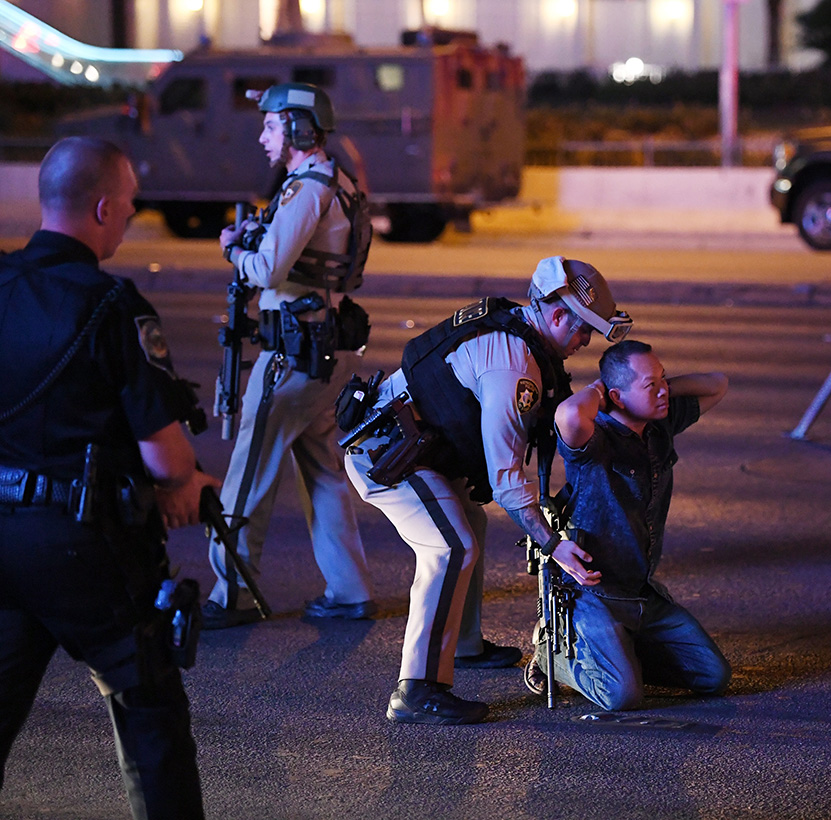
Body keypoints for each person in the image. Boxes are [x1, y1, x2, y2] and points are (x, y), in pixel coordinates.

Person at [0, 137, 219, 818]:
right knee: (150, 717)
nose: (128, 218)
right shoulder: (111, 304)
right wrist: (181, 486)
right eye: (126, 206)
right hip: (86, 547)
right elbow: (170, 460)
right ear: (101, 207)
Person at [344, 256, 632, 724]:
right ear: (557, 316)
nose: (586, 342)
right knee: (450, 546)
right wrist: (553, 544)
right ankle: (416, 690)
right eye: (585, 330)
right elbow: (505, 479)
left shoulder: (519, 332)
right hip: (385, 455)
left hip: (411, 449)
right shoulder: (514, 365)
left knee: (468, 522)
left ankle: (462, 645)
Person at [204, 82, 375, 628]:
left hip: (296, 355)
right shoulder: (335, 180)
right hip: (325, 350)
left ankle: (230, 593)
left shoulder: (308, 189)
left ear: (300, 130)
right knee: (323, 472)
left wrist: (235, 247)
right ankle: (349, 590)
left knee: (249, 469)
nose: (262, 136)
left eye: (271, 126)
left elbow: (270, 270)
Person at [524, 340, 732, 711]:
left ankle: (621, 655)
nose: (663, 391)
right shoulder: (594, 439)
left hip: (641, 593)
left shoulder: (659, 425)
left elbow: (717, 382)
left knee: (713, 677)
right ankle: (550, 655)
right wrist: (601, 391)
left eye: (663, 380)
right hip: (594, 597)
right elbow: (569, 415)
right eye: (651, 385)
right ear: (616, 397)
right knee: (622, 697)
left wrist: (655, 387)